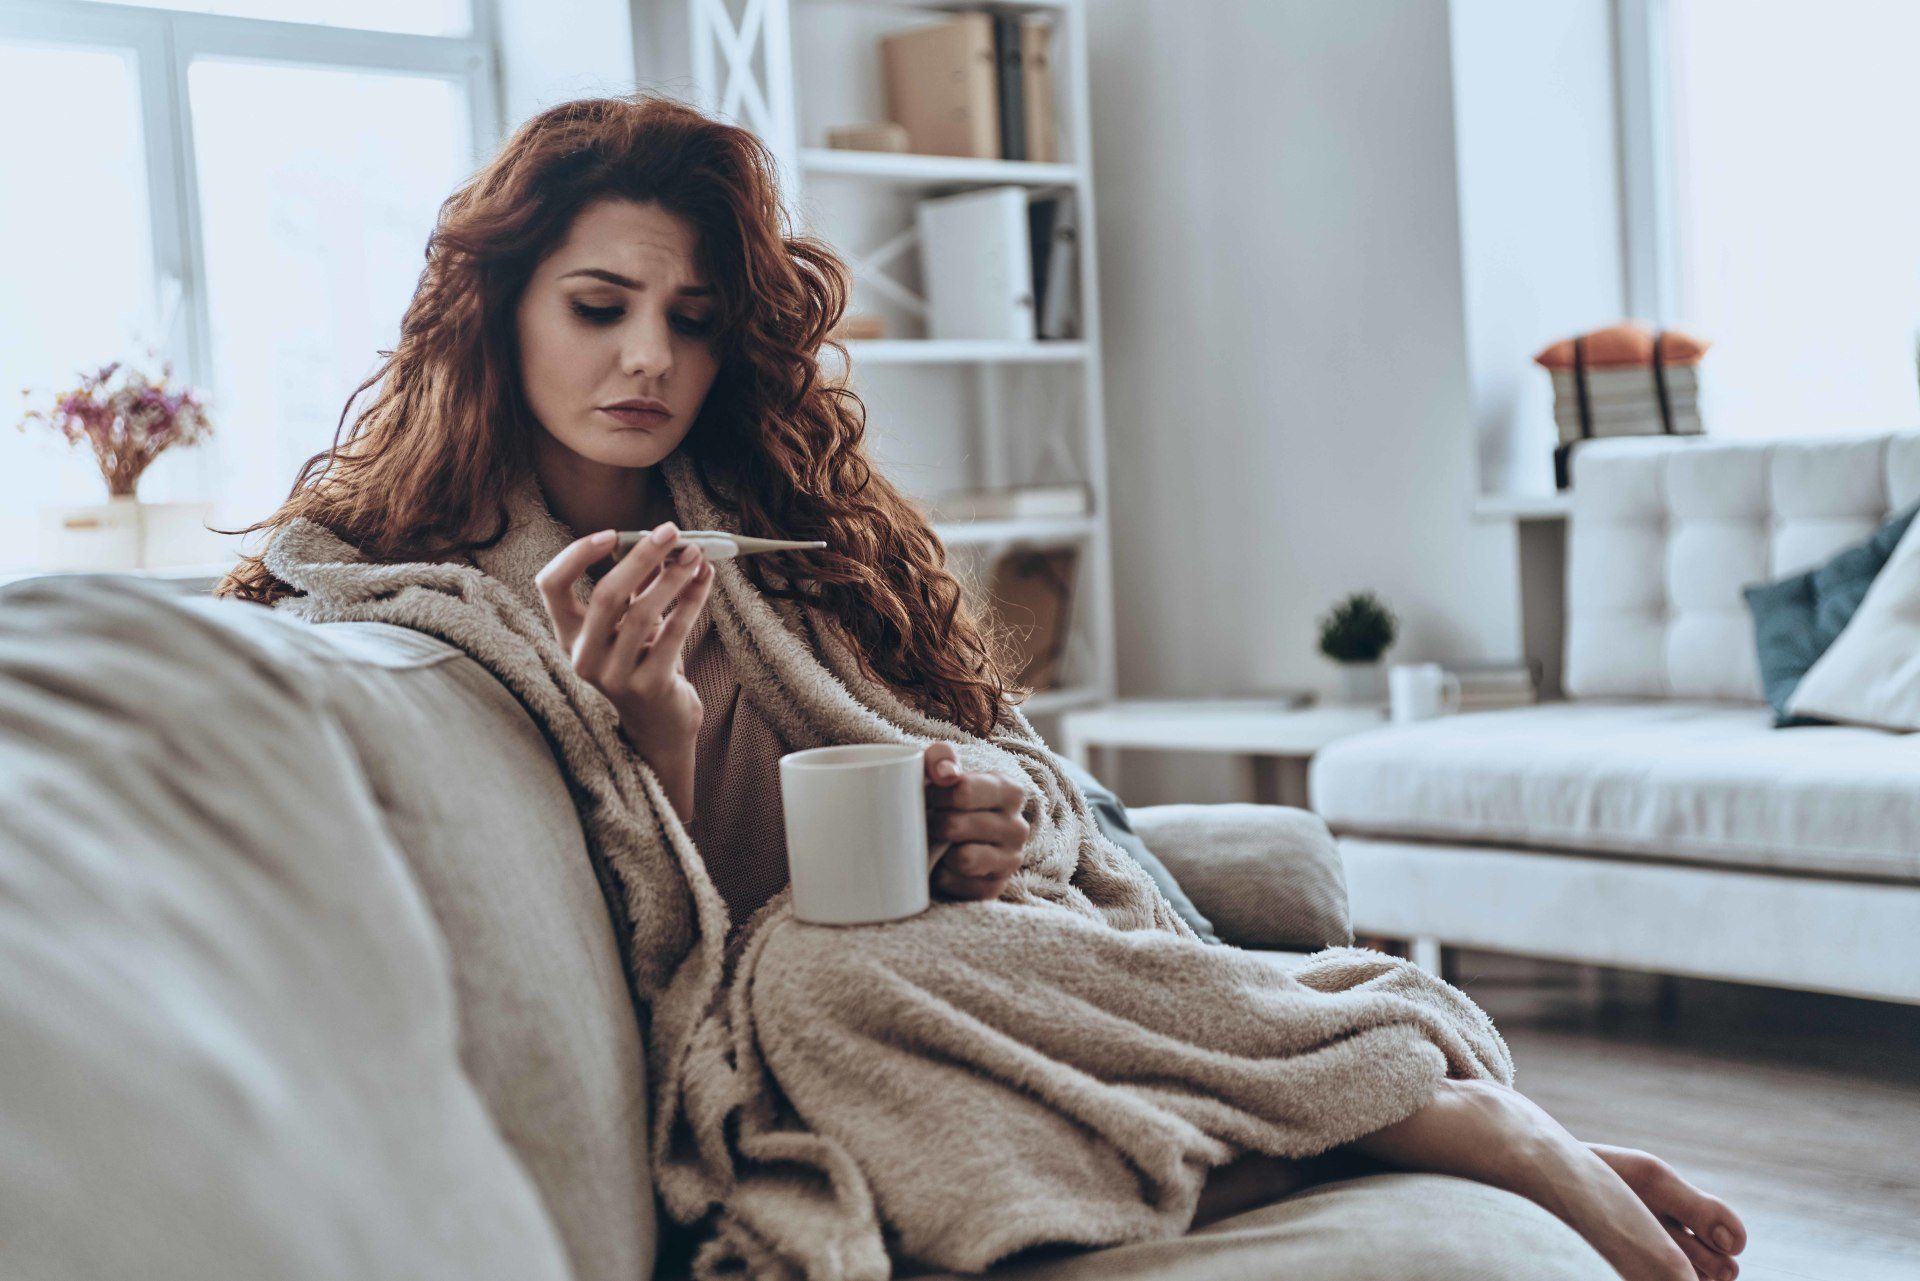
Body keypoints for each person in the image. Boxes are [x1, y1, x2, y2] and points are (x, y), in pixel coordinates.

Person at [216, 94, 1745, 1281]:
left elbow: (1011, 764)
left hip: (967, 958)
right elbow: (644, 947)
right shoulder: (422, 585)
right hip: (790, 1018)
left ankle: (1459, 1118)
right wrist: (651, 735)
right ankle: (1415, 1119)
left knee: (846, 952)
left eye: (689, 318)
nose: (648, 360)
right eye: (599, 305)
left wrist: (999, 813)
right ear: (503, 305)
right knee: (816, 969)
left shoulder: (782, 516)